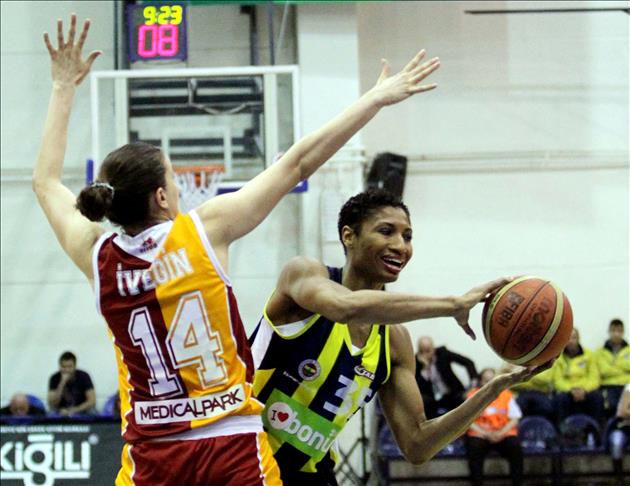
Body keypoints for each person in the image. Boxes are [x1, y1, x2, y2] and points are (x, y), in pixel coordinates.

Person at [34, 14, 442, 486]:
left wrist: (62, 88)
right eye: (173, 177)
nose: (179, 185)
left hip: (153, 453)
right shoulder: (202, 232)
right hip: (231, 446)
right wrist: (375, 99)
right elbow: (299, 161)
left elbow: (45, 183)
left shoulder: (98, 255)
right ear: (162, 197)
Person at [249, 189, 549, 485]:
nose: (400, 246)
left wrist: (494, 388)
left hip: (311, 473)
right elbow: (345, 307)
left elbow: (418, 445)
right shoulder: (304, 275)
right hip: (245, 457)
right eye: (386, 231)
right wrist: (454, 304)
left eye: (407, 236)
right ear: (348, 236)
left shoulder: (394, 342)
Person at [465, 368, 524, 486]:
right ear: (480, 382)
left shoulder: (506, 395)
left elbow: (515, 418)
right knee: (474, 447)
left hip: (502, 434)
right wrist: (485, 433)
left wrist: (500, 433)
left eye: (492, 380)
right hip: (481, 435)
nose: (489, 384)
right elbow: (467, 421)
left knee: (515, 446)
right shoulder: (472, 396)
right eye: (486, 381)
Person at [415, 336, 478, 418]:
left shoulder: (442, 353)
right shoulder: (417, 363)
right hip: (434, 400)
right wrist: (425, 368)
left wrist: (473, 384)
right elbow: (418, 387)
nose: (426, 354)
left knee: (463, 406)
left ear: (433, 347)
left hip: (453, 394)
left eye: (428, 350)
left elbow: (468, 362)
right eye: (423, 351)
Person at [552, 328, 604, 423]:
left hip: (585, 390)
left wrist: (584, 390)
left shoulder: (589, 355)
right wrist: (571, 390)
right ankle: (562, 429)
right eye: (568, 338)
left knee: (597, 397)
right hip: (568, 391)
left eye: (574, 338)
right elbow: (557, 380)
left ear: (579, 338)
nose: (571, 341)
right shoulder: (558, 357)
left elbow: (594, 378)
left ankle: (595, 428)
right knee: (560, 399)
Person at [596, 318, 629, 417]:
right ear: (609, 331)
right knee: (611, 406)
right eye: (613, 330)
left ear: (623, 332)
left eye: (619, 331)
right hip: (608, 386)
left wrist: (613, 365)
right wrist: (623, 368)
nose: (616, 334)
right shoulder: (600, 352)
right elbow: (603, 371)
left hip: (627, 385)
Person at [47, 351, 96, 416]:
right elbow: (52, 404)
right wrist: (62, 383)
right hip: (61, 411)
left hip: (81, 410)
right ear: (59, 367)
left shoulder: (84, 376)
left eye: (70, 367)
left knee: (93, 412)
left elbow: (92, 401)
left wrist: (74, 410)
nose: (67, 370)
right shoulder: (54, 378)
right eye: (63, 367)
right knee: (51, 414)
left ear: (75, 366)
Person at [607, 383, 629, 480]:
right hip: (624, 425)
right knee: (616, 442)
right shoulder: (629, 387)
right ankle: (619, 477)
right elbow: (622, 412)